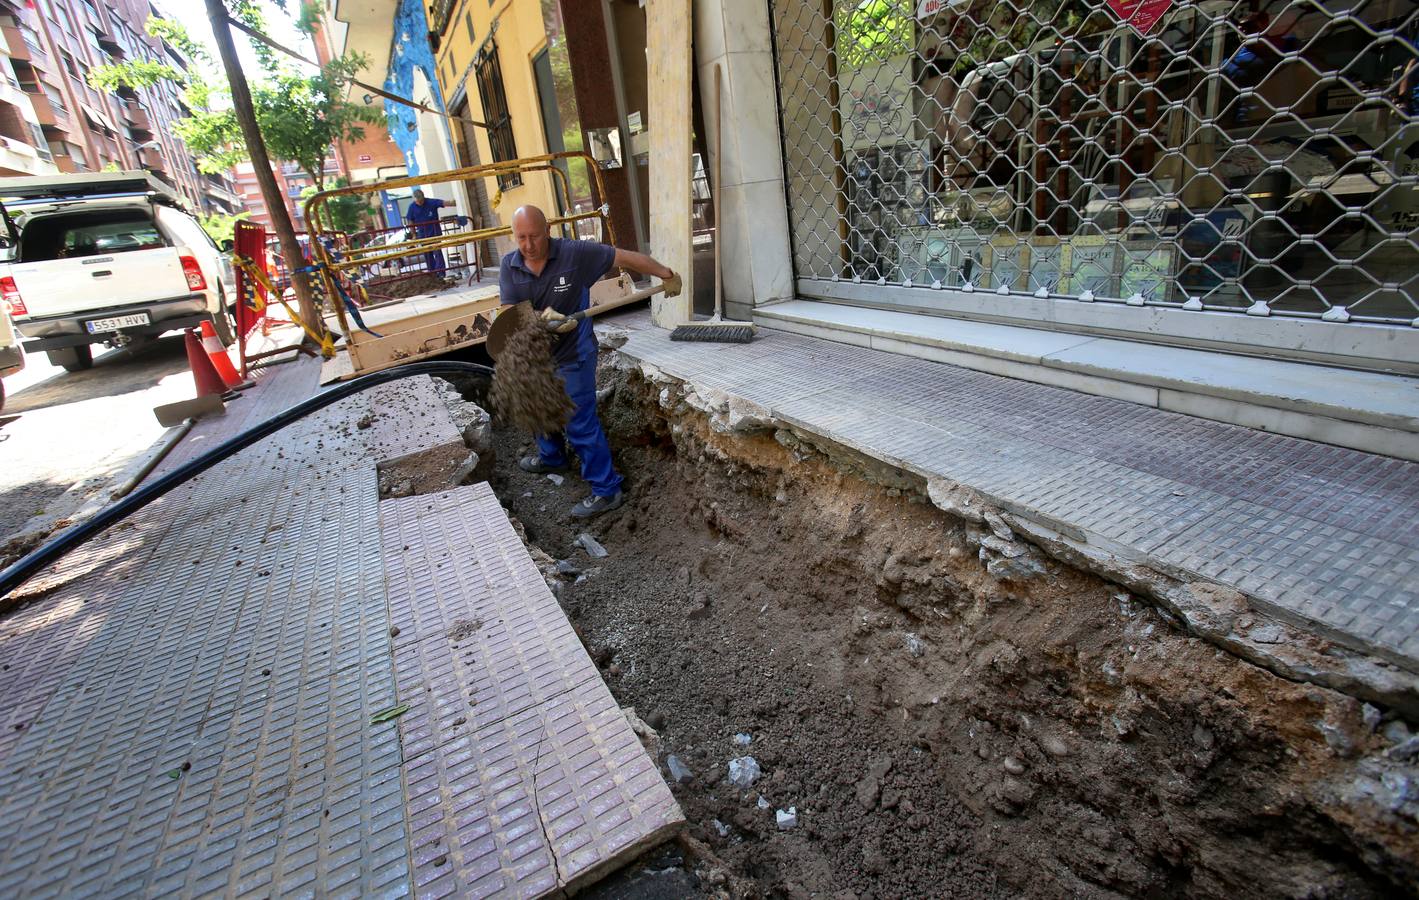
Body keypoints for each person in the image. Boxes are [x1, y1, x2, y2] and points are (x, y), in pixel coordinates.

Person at [499, 204, 679, 518]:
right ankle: (552, 456)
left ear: (549, 231)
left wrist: (665, 274)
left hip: (574, 353)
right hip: (536, 354)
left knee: (579, 423)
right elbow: (508, 311)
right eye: (521, 238)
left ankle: (607, 490)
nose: (528, 245)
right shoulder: (509, 265)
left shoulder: (574, 254)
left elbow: (624, 257)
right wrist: (540, 319)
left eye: (535, 236)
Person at [405, 189, 448, 278]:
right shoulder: (412, 207)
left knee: (438, 253)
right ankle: (432, 273)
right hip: (423, 235)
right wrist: (413, 235)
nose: (420, 203)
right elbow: (410, 221)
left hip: (435, 233)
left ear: (423, 197)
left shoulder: (431, 202)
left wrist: (454, 202)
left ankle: (441, 273)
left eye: (421, 201)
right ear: (414, 200)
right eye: (417, 202)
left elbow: (443, 203)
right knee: (428, 255)